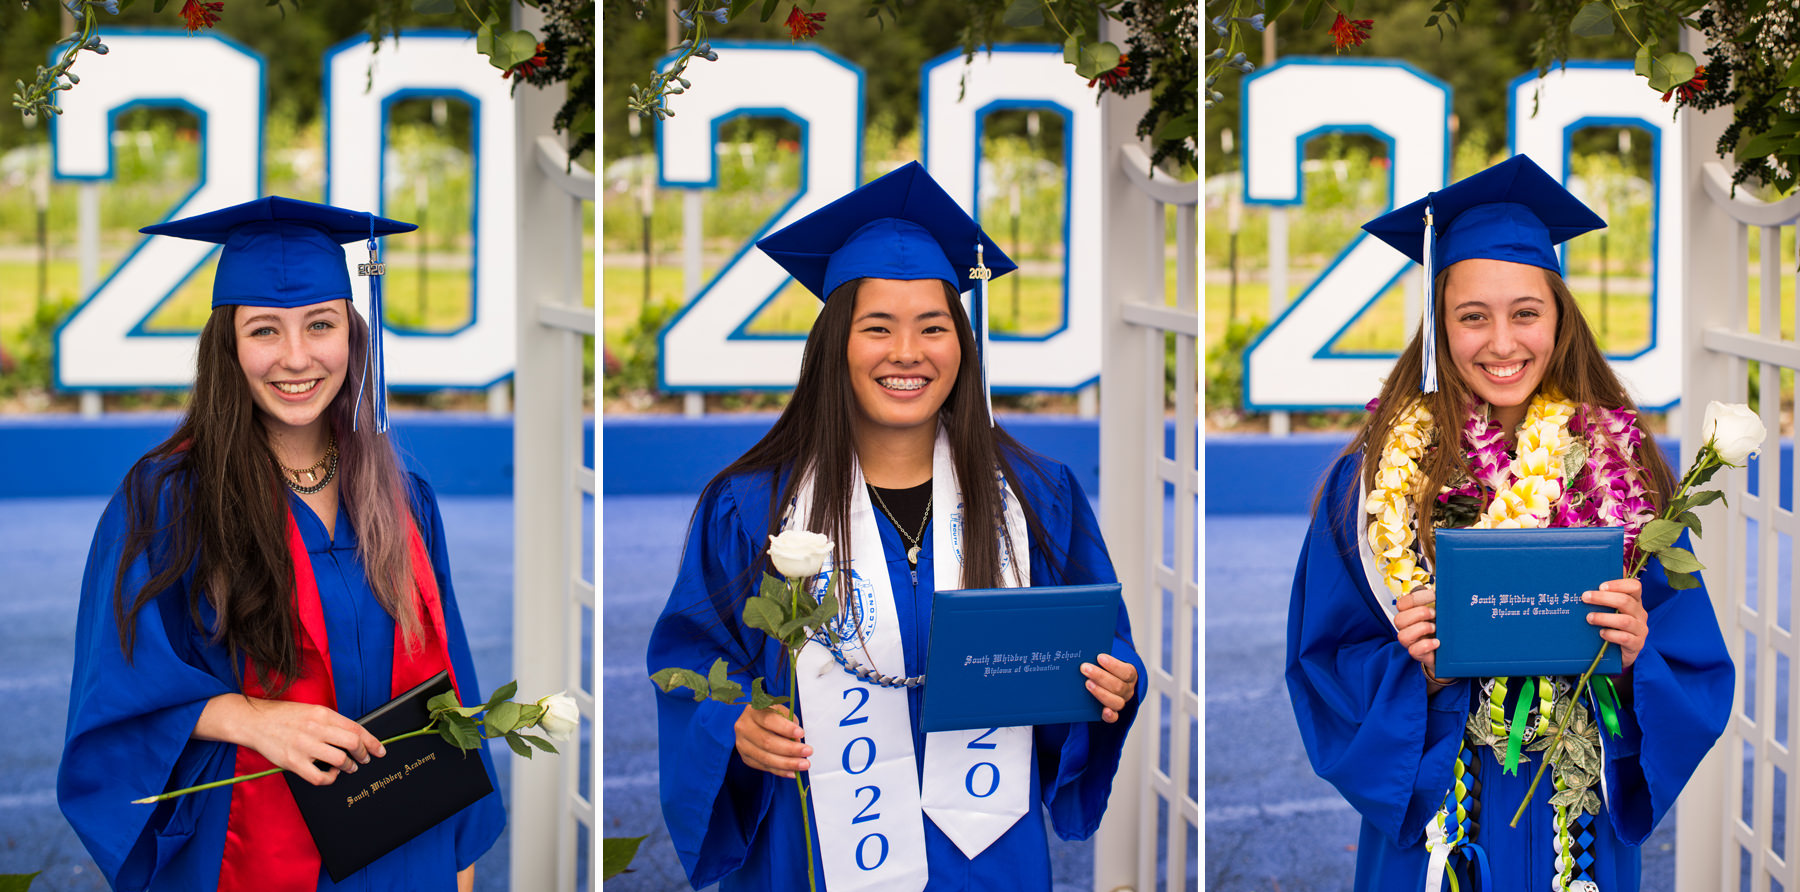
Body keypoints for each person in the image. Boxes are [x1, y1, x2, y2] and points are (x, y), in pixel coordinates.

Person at [646, 162, 1147, 891]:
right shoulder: (753, 507)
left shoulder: (1038, 497)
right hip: (812, 844)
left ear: (961, 346)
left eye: (933, 328)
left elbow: (1099, 641)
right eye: (877, 327)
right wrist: (733, 726)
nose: (907, 353)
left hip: (983, 853)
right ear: (835, 347)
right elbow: (688, 664)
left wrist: (1108, 684)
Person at [1285, 154, 1734, 891]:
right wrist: (1415, 673)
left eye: (1526, 312)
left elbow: (1692, 662)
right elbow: (1323, 661)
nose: (1502, 342)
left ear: (1559, 319)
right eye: (1472, 316)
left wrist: (1633, 657)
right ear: (1438, 326)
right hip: (1439, 825)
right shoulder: (1368, 487)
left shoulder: (1625, 472)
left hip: (1574, 826)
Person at [57, 197, 504, 892]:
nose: (297, 358)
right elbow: (114, 691)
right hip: (248, 848)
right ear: (228, 345)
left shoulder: (403, 498)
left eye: (320, 325)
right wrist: (251, 719)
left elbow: (448, 684)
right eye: (265, 330)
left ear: (352, 336)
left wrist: (459, 863)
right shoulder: (167, 499)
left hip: (401, 852)